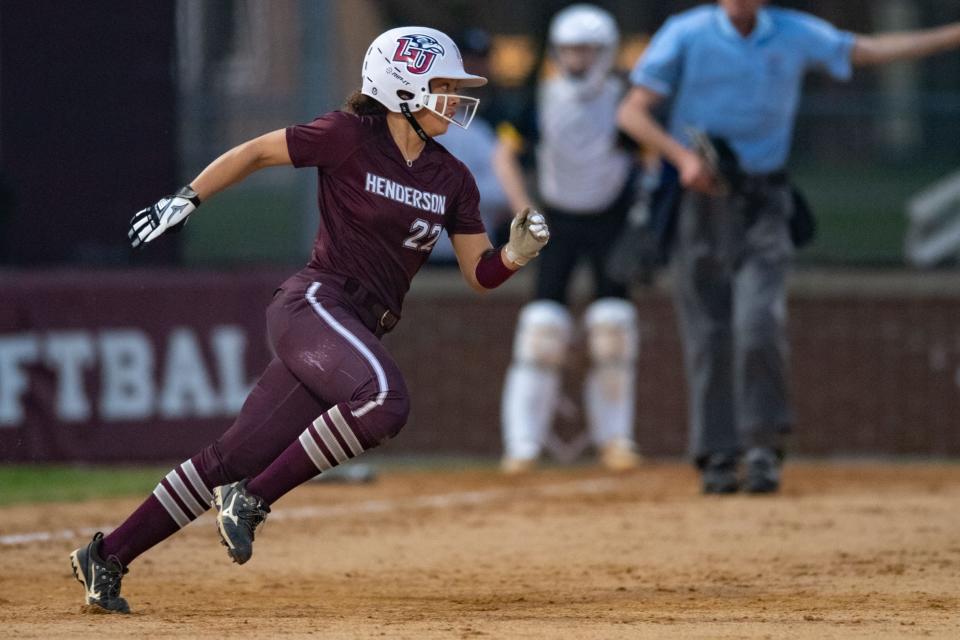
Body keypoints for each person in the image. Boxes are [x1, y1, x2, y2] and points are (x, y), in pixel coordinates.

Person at [68, 26, 550, 614]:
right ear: (402, 88)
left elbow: (480, 275)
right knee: (384, 401)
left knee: (232, 455)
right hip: (316, 303)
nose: (454, 99)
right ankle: (252, 499)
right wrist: (187, 198)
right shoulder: (349, 135)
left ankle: (107, 556)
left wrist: (515, 255)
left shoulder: (452, 177)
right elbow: (256, 152)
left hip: (356, 325)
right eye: (442, 86)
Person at [617, 0, 960, 493]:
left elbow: (866, 50)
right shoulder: (685, 33)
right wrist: (682, 157)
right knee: (708, 331)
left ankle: (762, 445)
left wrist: (949, 36)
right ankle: (717, 453)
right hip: (701, 199)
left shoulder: (792, 33)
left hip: (765, 197)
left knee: (759, 322)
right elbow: (631, 111)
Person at [495, 4, 642, 474]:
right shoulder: (540, 98)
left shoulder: (626, 99)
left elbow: (653, 149)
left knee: (613, 328)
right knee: (541, 330)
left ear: (604, 52)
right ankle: (522, 446)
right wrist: (523, 206)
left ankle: (615, 440)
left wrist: (645, 214)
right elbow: (505, 154)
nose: (577, 60)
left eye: (586, 51)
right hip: (556, 220)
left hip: (612, 222)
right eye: (569, 51)